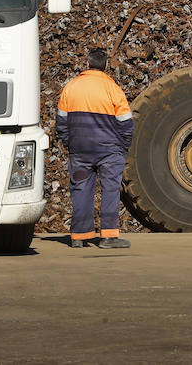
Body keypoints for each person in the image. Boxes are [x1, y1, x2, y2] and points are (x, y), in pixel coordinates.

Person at [56, 48, 134, 249]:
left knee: (80, 189)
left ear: (87, 63)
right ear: (106, 66)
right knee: (110, 189)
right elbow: (125, 123)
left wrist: (69, 143)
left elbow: (61, 123)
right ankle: (108, 236)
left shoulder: (70, 87)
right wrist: (123, 146)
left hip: (80, 150)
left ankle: (79, 236)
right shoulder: (113, 88)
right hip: (109, 150)